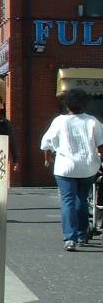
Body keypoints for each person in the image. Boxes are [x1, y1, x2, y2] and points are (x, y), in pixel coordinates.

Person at [40, 88, 103, 251]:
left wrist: (47, 158)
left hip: (65, 167)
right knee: (81, 200)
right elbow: (101, 145)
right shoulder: (92, 122)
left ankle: (70, 238)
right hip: (87, 167)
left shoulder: (60, 121)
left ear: (67, 104)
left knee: (68, 201)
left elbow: (46, 143)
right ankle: (82, 234)